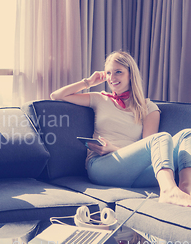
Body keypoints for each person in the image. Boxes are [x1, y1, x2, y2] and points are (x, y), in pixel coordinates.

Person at [50, 50, 191, 207]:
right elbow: (57, 95)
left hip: (136, 172)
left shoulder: (148, 107)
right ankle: (168, 191)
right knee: (162, 137)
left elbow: (149, 148)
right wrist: (88, 82)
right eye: (109, 73)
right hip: (102, 165)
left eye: (118, 72)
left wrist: (114, 148)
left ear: (131, 75)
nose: (112, 78)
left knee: (187, 134)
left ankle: (186, 188)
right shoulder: (100, 98)